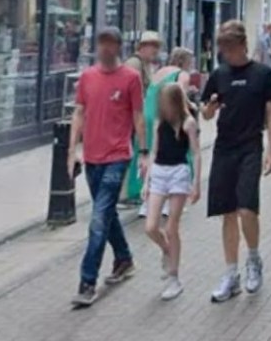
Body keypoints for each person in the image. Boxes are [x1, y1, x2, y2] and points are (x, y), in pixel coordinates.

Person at [201, 20, 271, 303]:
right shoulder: (219, 74)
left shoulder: (262, 74)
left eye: (230, 49)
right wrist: (208, 108)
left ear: (242, 45)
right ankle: (231, 273)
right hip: (224, 148)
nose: (226, 54)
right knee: (228, 211)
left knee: (247, 208)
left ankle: (254, 260)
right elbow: (207, 114)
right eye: (223, 49)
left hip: (250, 147)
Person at [68, 27, 146, 307]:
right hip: (92, 157)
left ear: (119, 47)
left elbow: (138, 116)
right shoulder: (88, 77)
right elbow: (79, 112)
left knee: (98, 219)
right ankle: (124, 259)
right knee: (107, 211)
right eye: (102, 43)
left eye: (111, 43)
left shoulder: (131, 78)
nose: (106, 48)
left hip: (118, 155)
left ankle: (87, 282)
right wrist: (71, 150)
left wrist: (144, 151)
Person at [143, 67, 201, 300]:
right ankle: (167, 250)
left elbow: (196, 153)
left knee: (172, 226)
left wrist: (196, 183)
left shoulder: (188, 124)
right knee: (150, 227)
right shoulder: (159, 122)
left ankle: (174, 277)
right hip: (159, 172)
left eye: (167, 104)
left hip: (178, 172)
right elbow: (154, 152)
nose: (164, 108)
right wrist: (148, 181)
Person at [122, 31, 164, 206]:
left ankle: (129, 192)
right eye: (152, 46)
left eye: (157, 46)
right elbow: (128, 90)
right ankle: (122, 195)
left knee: (133, 153)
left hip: (136, 115)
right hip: (129, 116)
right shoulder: (134, 63)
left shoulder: (146, 64)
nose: (155, 50)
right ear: (142, 47)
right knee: (127, 154)